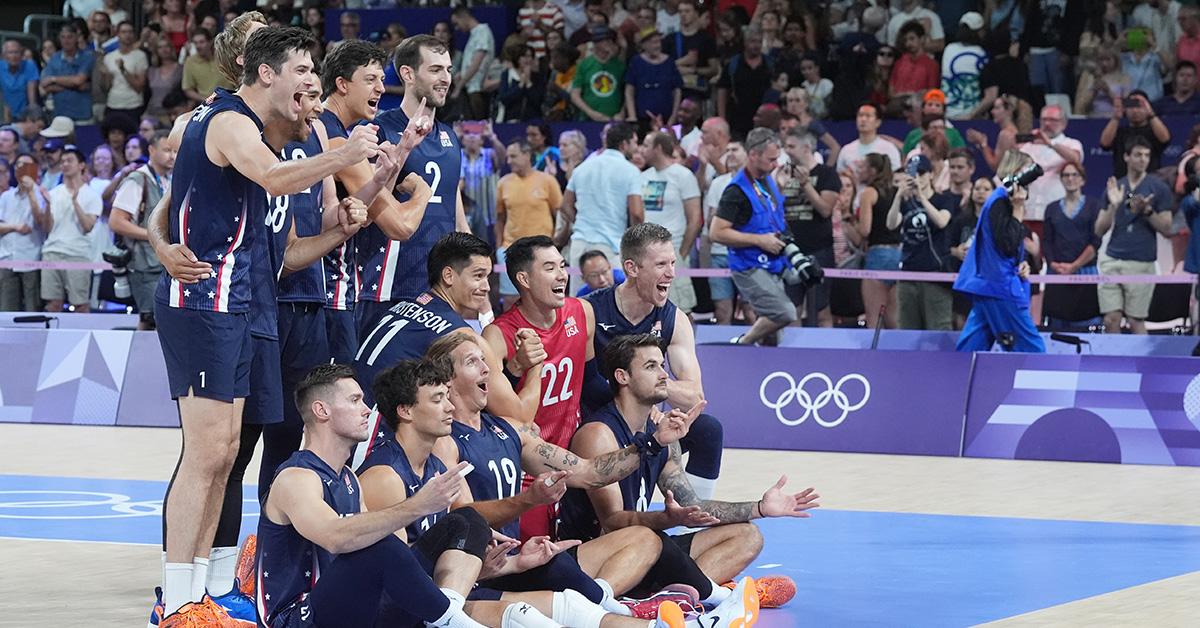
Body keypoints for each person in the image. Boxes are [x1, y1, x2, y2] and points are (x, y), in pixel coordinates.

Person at [145, 26, 382, 624]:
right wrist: (343, 154)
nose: (311, 80)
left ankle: (203, 591)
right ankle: (176, 601)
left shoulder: (259, 127)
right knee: (206, 455)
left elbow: (202, 198)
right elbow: (272, 179)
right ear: (263, 71)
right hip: (204, 301)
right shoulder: (226, 122)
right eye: (302, 68)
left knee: (226, 453)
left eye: (313, 69)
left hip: (246, 304)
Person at [254, 363, 520, 628]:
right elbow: (334, 537)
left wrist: (485, 553)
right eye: (355, 400)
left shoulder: (350, 480)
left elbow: (401, 560)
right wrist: (418, 506)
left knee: (466, 521)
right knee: (383, 545)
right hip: (297, 619)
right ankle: (450, 621)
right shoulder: (296, 477)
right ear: (322, 410)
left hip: (351, 608)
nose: (367, 409)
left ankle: (448, 611)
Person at [561, 334, 819, 607]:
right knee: (649, 539)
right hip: (602, 557)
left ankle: (675, 597)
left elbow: (692, 506)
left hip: (644, 545)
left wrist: (759, 508)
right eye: (651, 367)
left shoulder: (661, 434)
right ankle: (713, 593)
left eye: (662, 366)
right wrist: (667, 520)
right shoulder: (599, 434)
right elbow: (612, 523)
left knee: (747, 535)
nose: (663, 375)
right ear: (622, 377)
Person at [352, 233, 541, 466]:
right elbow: (519, 417)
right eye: (478, 276)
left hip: (351, 424)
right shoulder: (462, 338)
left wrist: (512, 369)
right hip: (378, 442)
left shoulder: (403, 306)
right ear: (449, 275)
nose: (485, 287)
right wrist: (536, 364)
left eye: (487, 277)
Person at [580, 223, 730, 512]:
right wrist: (638, 395)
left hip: (645, 418)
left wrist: (652, 386)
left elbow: (694, 397)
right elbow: (582, 381)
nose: (671, 273)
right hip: (596, 419)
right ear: (632, 268)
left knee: (708, 429)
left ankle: (694, 516)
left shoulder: (674, 319)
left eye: (673, 263)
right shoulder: (591, 310)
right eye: (661, 264)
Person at [319, 38, 434, 364]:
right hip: (330, 295)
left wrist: (404, 150)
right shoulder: (337, 138)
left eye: (383, 79)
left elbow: (365, 207)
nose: (381, 88)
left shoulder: (334, 130)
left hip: (329, 291)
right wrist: (425, 193)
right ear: (342, 84)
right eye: (370, 79)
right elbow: (399, 225)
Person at [361, 34, 470, 337]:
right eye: (435, 70)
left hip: (440, 286)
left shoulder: (450, 137)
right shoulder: (378, 129)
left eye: (448, 70)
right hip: (388, 284)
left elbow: (454, 205)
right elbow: (367, 201)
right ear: (408, 74)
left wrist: (473, 265)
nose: (445, 78)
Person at [954, 150, 1046, 353]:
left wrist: (1020, 262)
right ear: (1014, 171)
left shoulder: (999, 199)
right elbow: (1006, 244)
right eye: (1026, 169)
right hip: (999, 285)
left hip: (986, 284)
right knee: (1033, 350)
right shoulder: (1000, 201)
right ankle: (1037, 385)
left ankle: (955, 381)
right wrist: (1019, 210)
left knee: (970, 349)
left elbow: (1000, 244)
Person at [711, 129, 794, 345]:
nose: (776, 165)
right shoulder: (736, 191)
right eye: (771, 159)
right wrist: (760, 240)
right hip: (749, 266)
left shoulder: (767, 180)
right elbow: (716, 232)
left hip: (772, 263)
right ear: (754, 155)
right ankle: (743, 343)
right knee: (784, 313)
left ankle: (762, 365)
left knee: (775, 336)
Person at [1094, 136, 1173, 335]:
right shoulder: (1114, 187)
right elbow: (1099, 230)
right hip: (1112, 259)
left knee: (1136, 321)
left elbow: (1167, 228)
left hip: (1142, 261)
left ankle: (1140, 365)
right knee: (1111, 319)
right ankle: (1113, 365)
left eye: (1147, 155)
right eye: (1138, 155)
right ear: (1126, 157)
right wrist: (1114, 205)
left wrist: (1147, 211)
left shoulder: (1159, 189)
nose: (1143, 159)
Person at [556, 122, 644, 294]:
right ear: (624, 144)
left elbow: (565, 205)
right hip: (610, 245)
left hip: (579, 244)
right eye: (634, 142)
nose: (636, 147)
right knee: (614, 304)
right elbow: (637, 213)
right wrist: (635, 242)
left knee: (579, 304)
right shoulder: (630, 171)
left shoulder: (583, 168)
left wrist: (581, 222)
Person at [109, 129, 174, 329]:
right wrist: (154, 236)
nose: (172, 156)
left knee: (161, 320)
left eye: (175, 151)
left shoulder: (169, 179)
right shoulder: (138, 179)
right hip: (144, 265)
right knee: (150, 318)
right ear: (152, 150)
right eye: (166, 150)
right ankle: (141, 359)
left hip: (163, 263)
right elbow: (116, 221)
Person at [775, 128, 839, 328]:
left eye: (792, 146)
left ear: (807, 147)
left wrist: (805, 184)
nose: (787, 151)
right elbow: (774, 214)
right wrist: (778, 187)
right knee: (791, 309)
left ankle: (825, 352)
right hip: (790, 250)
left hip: (819, 250)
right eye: (786, 147)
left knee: (821, 309)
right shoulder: (782, 175)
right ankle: (793, 354)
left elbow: (825, 209)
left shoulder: (827, 174)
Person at [887, 155, 953, 331]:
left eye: (921, 173)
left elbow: (941, 221)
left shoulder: (944, 199)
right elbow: (891, 224)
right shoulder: (906, 202)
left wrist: (922, 197)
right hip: (909, 273)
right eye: (913, 173)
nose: (917, 177)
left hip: (935, 274)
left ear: (931, 174)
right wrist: (898, 197)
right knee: (908, 329)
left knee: (938, 328)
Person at [638, 131, 700, 314]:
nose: (642, 149)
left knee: (681, 307)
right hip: (648, 253)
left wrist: (682, 253)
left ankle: (688, 342)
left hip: (675, 250)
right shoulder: (643, 177)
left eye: (646, 145)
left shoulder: (683, 175)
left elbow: (695, 219)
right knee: (653, 307)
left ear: (658, 148)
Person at [495, 142, 562, 308]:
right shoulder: (503, 183)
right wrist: (498, 248)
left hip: (542, 252)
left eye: (513, 156)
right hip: (509, 250)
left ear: (527, 155)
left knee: (543, 298)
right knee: (510, 300)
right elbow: (500, 218)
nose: (509, 160)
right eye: (508, 157)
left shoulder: (547, 181)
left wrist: (557, 242)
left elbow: (560, 216)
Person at [38, 145, 99, 313]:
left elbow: (87, 227)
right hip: (52, 252)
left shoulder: (92, 195)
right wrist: (48, 204)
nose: (65, 164)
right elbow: (47, 228)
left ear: (81, 165)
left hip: (78, 254)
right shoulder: (54, 193)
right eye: (63, 161)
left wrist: (75, 202)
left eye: (70, 160)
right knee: (53, 304)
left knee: (81, 304)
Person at [1042, 162, 1102, 330]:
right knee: (1057, 325)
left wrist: (1074, 266)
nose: (1070, 179)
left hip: (1085, 273)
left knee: (1087, 323)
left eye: (1074, 175)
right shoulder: (1051, 209)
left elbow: (1095, 241)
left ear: (1082, 180)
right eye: (1066, 175)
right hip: (1057, 273)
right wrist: (1053, 264)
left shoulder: (1093, 206)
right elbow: (1047, 241)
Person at [848, 153, 900, 330]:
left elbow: (865, 229)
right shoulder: (895, 191)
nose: (858, 170)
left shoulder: (869, 193)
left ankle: (874, 357)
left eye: (862, 166)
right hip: (898, 255)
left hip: (878, 256)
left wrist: (851, 223)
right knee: (894, 318)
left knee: (874, 318)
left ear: (872, 170)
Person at [702, 142, 746, 325]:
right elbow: (710, 221)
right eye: (727, 150)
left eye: (735, 150)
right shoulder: (718, 183)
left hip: (747, 254)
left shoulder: (757, 183)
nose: (730, 154)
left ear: (747, 153)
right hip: (719, 254)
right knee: (722, 311)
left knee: (752, 311)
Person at [1019, 104, 1083, 224]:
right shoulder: (1027, 147)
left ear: (1064, 124)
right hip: (1028, 211)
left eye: (1053, 120)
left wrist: (1049, 143)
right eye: (1044, 120)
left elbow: (1075, 159)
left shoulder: (1071, 144)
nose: (1047, 124)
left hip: (1058, 211)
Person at [947, 177, 994, 329]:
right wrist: (957, 252)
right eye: (978, 188)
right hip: (965, 278)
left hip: (989, 279)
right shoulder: (961, 220)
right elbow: (947, 247)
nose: (981, 193)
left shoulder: (997, 221)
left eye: (986, 189)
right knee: (961, 319)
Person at [0, 154, 45, 311]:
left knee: (32, 309)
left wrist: (31, 191)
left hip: (30, 259)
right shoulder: (6, 196)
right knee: (6, 309)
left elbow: (40, 221)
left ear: (35, 169)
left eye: (27, 165)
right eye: (19, 165)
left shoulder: (41, 194)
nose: (23, 169)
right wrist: (15, 227)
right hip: (6, 258)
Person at [1099, 90, 1170, 179]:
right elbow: (1104, 144)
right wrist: (1116, 117)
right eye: (1131, 106)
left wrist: (1151, 114)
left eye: (1140, 106)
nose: (1135, 111)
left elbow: (1165, 139)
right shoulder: (1120, 131)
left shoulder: (1154, 131)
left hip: (1151, 180)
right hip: (1123, 181)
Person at [716, 26, 772, 139]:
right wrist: (722, 119)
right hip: (737, 120)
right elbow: (722, 91)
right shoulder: (733, 64)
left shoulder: (770, 64)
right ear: (745, 42)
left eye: (759, 42)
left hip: (765, 120)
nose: (756, 45)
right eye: (752, 41)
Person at [625, 28, 682, 131]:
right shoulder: (636, 62)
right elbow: (629, 90)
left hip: (667, 120)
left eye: (659, 42)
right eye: (653, 42)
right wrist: (632, 116)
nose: (657, 45)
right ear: (644, 45)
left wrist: (674, 116)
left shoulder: (669, 62)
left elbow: (677, 91)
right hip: (642, 120)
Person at [99, 20, 149, 136]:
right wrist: (104, 75)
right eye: (124, 32)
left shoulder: (140, 56)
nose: (127, 35)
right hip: (113, 104)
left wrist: (123, 70)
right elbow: (106, 87)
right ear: (118, 35)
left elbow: (139, 86)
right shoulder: (109, 57)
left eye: (130, 32)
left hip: (133, 105)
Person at [40, 24, 95, 123]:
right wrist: (75, 86)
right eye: (63, 37)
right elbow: (46, 85)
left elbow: (78, 80)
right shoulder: (54, 58)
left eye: (70, 37)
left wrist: (54, 79)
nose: (66, 40)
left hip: (82, 115)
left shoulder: (87, 56)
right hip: (60, 115)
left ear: (76, 38)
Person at [571, 27, 625, 122]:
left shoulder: (619, 65)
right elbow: (575, 95)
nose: (609, 43)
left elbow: (628, 92)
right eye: (605, 40)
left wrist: (622, 113)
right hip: (588, 119)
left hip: (614, 118)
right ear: (596, 43)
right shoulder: (584, 64)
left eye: (611, 41)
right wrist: (591, 113)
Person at [835, 104, 901, 182]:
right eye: (860, 115)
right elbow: (839, 175)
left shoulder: (889, 148)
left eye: (868, 116)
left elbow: (896, 175)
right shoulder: (846, 149)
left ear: (878, 122)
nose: (863, 119)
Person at [452, 6, 496, 120]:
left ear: (463, 18)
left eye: (457, 23)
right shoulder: (474, 34)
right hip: (470, 86)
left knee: (479, 124)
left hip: (477, 88)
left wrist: (460, 85)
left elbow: (476, 62)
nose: (457, 28)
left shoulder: (482, 32)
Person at [941, 12, 987, 120]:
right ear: (979, 32)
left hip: (947, 113)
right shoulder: (981, 53)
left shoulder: (949, 48)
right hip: (972, 115)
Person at [889, 21, 939, 99]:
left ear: (922, 39)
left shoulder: (932, 65)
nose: (908, 43)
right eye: (905, 40)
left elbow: (932, 92)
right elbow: (891, 90)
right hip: (897, 104)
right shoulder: (899, 62)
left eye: (912, 39)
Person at [2, 41, 40, 122]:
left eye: (16, 52)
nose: (14, 56)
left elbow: (31, 97)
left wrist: (31, 115)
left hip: (25, 114)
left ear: (21, 54)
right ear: (4, 56)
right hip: (6, 112)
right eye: (10, 52)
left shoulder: (29, 65)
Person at [181, 28, 220, 106]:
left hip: (229, 100)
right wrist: (206, 99)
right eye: (195, 43)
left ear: (210, 42)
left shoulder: (222, 57)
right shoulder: (190, 62)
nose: (198, 46)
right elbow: (187, 89)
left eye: (201, 42)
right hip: (206, 104)